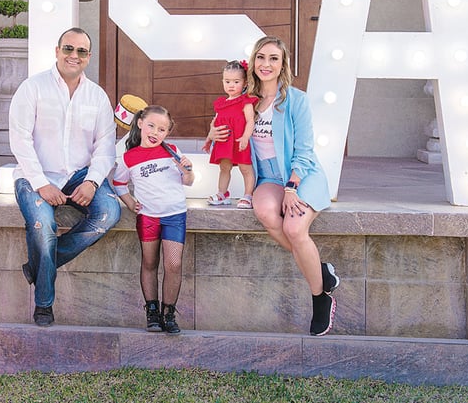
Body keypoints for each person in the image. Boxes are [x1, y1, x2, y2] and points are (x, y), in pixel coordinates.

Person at [208, 35, 340, 336]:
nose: (266, 64)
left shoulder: (296, 100)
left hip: (300, 175)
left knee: (295, 229)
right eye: (261, 58)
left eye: (273, 59)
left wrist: (293, 187)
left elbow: (305, 151)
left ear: (283, 65)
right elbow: (226, 127)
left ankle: (320, 297)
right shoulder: (246, 100)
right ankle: (320, 271)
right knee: (266, 212)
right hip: (267, 177)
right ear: (253, 63)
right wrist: (214, 134)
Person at [9, 27, 121, 327]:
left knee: (110, 212)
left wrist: (92, 180)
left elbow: (105, 146)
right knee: (44, 225)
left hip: (79, 175)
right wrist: (42, 184)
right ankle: (44, 303)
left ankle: (40, 267)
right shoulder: (32, 88)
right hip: (35, 175)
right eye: (68, 49)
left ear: (89, 56)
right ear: (57, 51)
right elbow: (20, 140)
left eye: (81, 51)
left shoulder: (97, 96)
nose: (74, 55)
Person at [113, 105, 194, 335]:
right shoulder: (129, 157)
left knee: (173, 264)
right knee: (150, 264)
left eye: (162, 129)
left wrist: (187, 170)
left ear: (167, 133)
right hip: (148, 217)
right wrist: (130, 203)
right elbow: (119, 184)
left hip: (174, 215)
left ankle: (169, 313)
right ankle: (152, 312)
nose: (155, 132)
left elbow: (188, 181)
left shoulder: (173, 151)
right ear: (140, 123)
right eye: (151, 126)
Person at [203, 59, 257, 208]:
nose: (231, 85)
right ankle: (222, 193)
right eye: (227, 81)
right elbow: (215, 122)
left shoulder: (245, 101)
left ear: (245, 83)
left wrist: (246, 137)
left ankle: (248, 195)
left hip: (240, 140)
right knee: (224, 168)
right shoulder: (221, 103)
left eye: (236, 81)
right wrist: (209, 139)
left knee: (245, 168)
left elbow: (250, 120)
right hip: (225, 141)